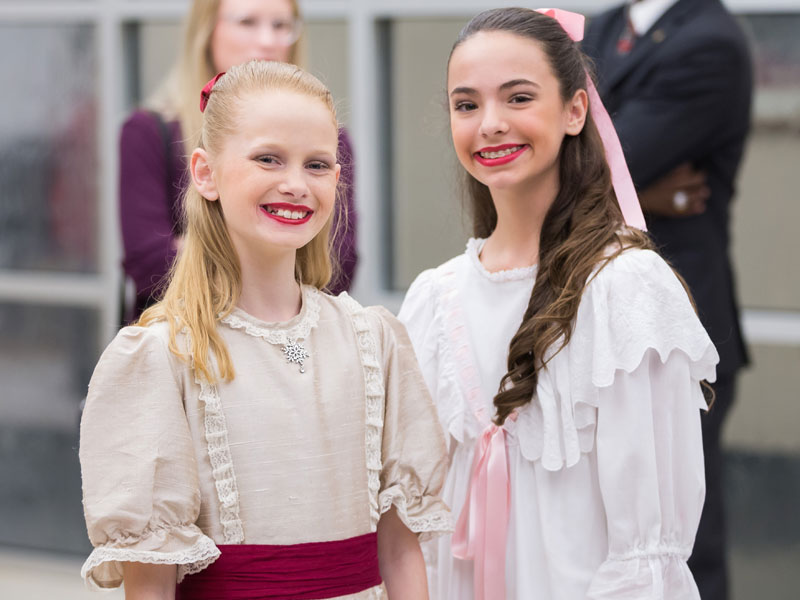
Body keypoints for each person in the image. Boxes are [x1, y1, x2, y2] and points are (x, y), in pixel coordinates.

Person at [80, 60, 450, 599]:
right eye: (268, 159)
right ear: (205, 172)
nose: (295, 184)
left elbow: (398, 548)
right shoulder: (162, 356)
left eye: (318, 165)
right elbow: (151, 580)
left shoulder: (374, 341)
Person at [398, 7, 718, 599]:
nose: (490, 124)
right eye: (466, 105)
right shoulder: (433, 301)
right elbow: (416, 531)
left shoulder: (626, 290)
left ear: (575, 110)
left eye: (518, 97)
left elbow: (649, 551)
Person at [582, 2, 752, 598]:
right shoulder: (600, 27)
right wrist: (643, 187)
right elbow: (567, 150)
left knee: (679, 542)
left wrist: (609, 171)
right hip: (587, 321)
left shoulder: (710, 42)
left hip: (673, 331)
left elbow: (593, 155)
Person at [120, 0, 358, 321]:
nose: (268, 41)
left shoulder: (331, 138)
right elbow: (149, 263)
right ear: (206, 30)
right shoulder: (150, 131)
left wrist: (199, 244)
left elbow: (338, 262)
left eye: (281, 25)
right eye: (247, 22)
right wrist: (278, 255)